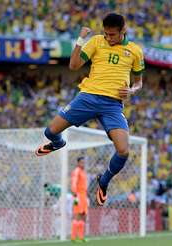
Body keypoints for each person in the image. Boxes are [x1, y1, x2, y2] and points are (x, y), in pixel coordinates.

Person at [35, 13, 145, 206]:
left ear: (123, 31)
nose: (108, 38)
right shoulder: (96, 41)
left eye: (112, 35)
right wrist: (80, 39)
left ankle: (104, 180)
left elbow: (139, 82)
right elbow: (73, 65)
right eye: (106, 34)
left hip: (112, 105)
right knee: (50, 132)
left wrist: (132, 90)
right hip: (87, 97)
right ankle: (58, 143)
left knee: (123, 150)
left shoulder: (135, 51)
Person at [71, 157, 88, 242]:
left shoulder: (83, 172)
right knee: (77, 214)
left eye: (84, 163)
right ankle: (73, 237)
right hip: (77, 195)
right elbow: (74, 181)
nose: (83, 164)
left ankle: (81, 237)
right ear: (78, 163)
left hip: (83, 195)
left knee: (83, 215)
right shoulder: (77, 171)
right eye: (81, 162)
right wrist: (74, 192)